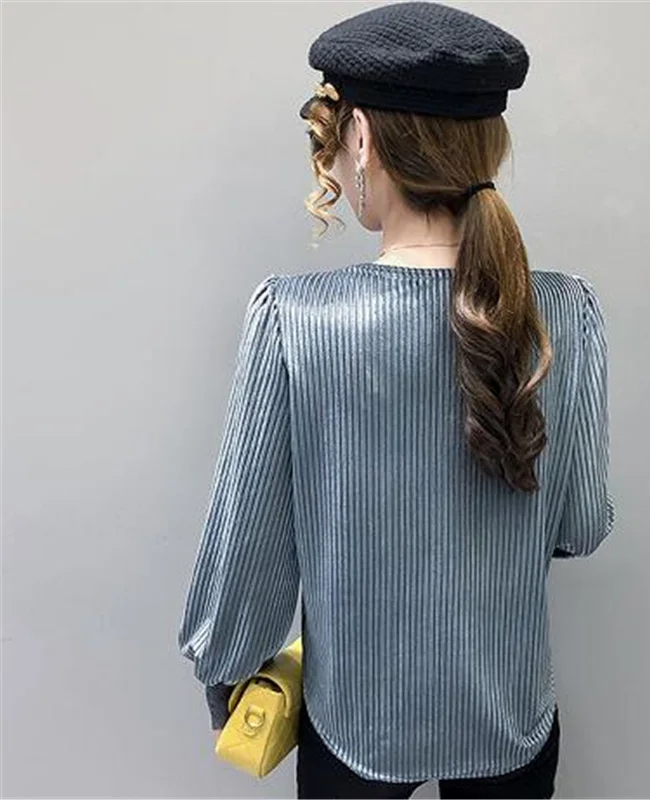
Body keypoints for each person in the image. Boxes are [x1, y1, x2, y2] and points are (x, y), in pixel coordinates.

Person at [177, 1, 615, 797]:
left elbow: (250, 539)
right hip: (509, 717)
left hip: (354, 722)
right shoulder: (566, 313)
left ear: (361, 137)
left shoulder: (295, 319)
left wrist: (226, 671)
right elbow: (579, 526)